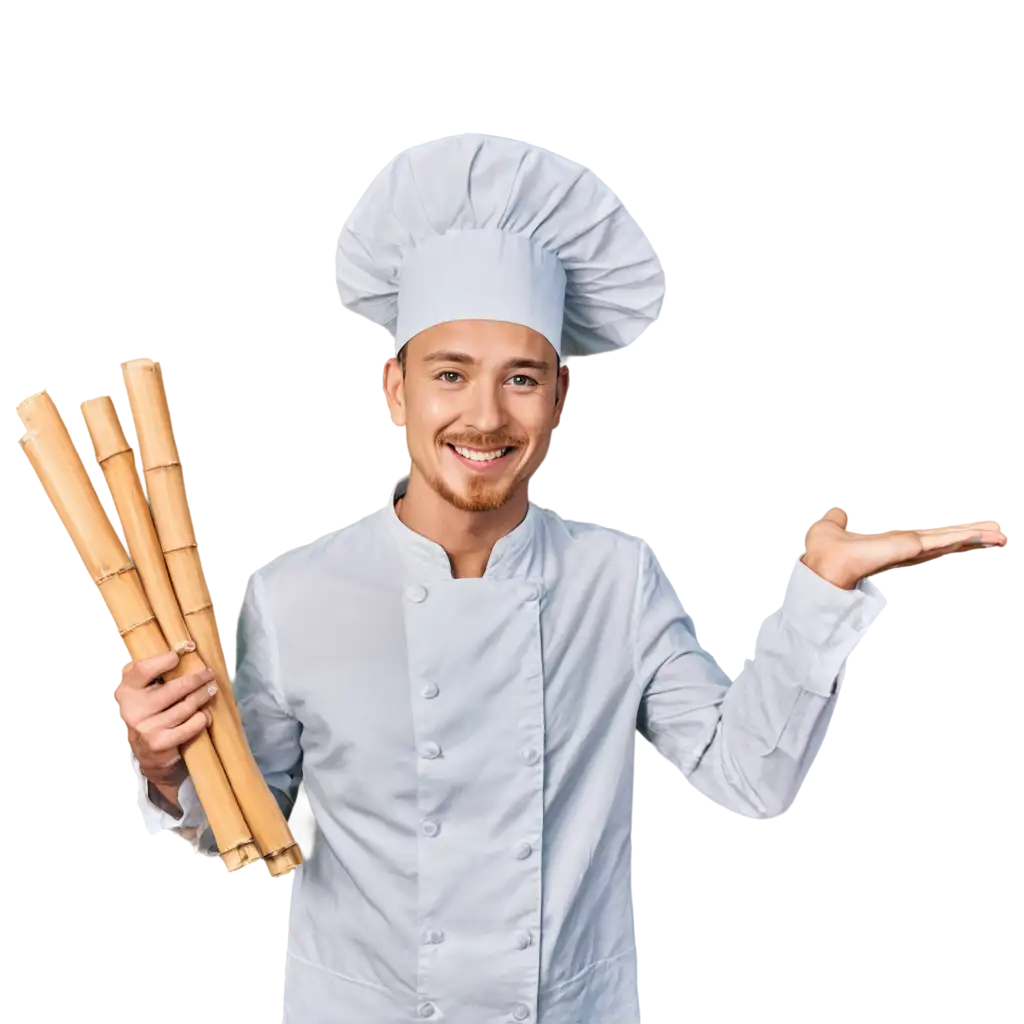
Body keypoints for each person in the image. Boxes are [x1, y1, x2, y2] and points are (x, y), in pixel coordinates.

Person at [116, 131, 1006, 1024]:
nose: (485, 415)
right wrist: (162, 765)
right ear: (394, 388)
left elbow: (748, 779)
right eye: (450, 374)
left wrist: (822, 590)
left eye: (522, 380)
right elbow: (244, 826)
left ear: (560, 394)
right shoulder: (294, 594)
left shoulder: (615, 582)